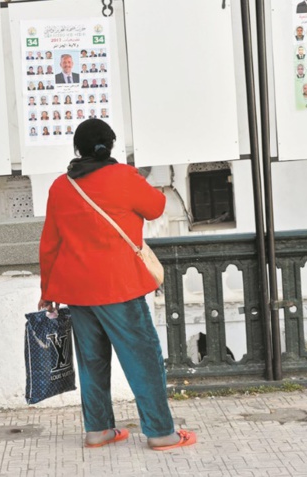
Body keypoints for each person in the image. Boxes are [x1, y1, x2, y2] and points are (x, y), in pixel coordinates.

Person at [38, 118, 197, 451]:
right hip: (119, 287)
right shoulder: (123, 177)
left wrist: (48, 292)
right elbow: (156, 208)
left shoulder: (60, 186)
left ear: (77, 149)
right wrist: (131, 177)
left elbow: (50, 243)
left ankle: (98, 430)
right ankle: (160, 433)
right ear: (109, 147)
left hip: (78, 293)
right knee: (143, 360)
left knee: (92, 362)